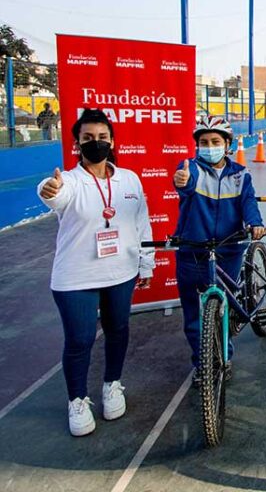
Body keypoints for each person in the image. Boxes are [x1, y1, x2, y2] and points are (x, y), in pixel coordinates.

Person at [37, 108, 154, 436]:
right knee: (80, 339)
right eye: (88, 138)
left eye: (102, 137)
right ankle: (77, 400)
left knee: (118, 329)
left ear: (112, 141)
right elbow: (55, 195)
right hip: (76, 277)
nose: (96, 143)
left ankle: (112, 385)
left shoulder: (129, 179)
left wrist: (146, 261)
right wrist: (50, 190)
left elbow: (140, 222)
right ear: (78, 142)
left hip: (121, 271)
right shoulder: (71, 181)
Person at [173, 115, 266, 385]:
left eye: (215, 141)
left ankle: (223, 356)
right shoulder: (190, 168)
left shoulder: (240, 174)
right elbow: (184, 184)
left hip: (229, 250)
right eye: (204, 142)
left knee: (223, 307)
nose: (209, 146)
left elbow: (248, 202)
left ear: (227, 144)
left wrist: (255, 223)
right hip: (192, 250)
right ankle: (202, 363)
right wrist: (182, 181)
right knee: (193, 315)